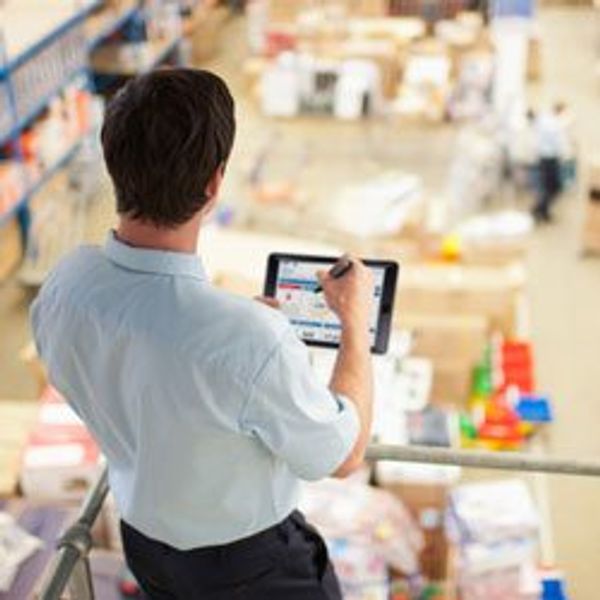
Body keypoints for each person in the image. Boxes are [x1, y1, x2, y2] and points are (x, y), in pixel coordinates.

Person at [30, 69, 374, 599]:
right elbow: (343, 456)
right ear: (214, 182)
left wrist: (240, 338)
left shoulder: (64, 286)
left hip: (145, 548)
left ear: (111, 158)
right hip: (254, 573)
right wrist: (354, 321)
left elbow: (147, 359)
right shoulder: (250, 341)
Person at [532, 106, 566, 223]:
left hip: (544, 158)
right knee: (553, 187)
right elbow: (557, 142)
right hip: (549, 159)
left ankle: (541, 209)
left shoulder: (543, 120)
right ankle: (540, 210)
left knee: (549, 187)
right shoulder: (552, 123)